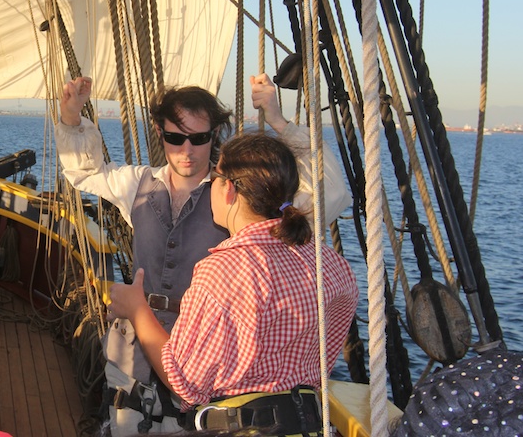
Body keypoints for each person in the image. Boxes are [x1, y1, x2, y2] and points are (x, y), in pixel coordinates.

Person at [55, 74, 351, 435]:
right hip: (133, 357)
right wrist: (71, 117)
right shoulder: (138, 185)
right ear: (159, 133)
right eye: (176, 138)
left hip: (206, 362)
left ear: (214, 136)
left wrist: (278, 121)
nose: (187, 150)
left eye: (199, 139)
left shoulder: (243, 199)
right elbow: (86, 171)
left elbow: (331, 194)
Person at [108, 133, 358, 435]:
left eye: (215, 177)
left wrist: (137, 309)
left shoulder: (223, 272)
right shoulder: (331, 265)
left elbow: (185, 383)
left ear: (228, 190)